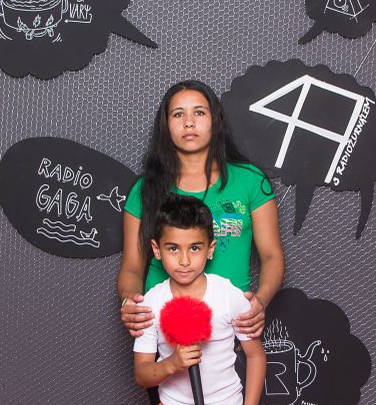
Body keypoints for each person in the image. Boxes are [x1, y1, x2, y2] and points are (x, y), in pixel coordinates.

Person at [118, 80, 285, 339]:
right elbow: (132, 266)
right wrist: (129, 301)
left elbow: (272, 255)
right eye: (178, 114)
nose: (189, 122)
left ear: (215, 120)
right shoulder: (145, 189)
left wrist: (260, 302)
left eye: (199, 112)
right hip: (164, 327)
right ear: (165, 125)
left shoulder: (250, 180)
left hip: (231, 324)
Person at [134, 195, 266, 405]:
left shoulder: (228, 295)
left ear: (210, 249)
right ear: (157, 249)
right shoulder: (151, 303)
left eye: (194, 248)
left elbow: (255, 355)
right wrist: (172, 364)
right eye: (173, 248)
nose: (184, 261)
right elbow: (142, 375)